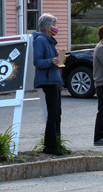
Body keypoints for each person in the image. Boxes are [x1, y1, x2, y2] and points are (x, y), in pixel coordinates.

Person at [33, 13, 66, 156]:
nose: (56, 28)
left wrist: (60, 59)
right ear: (48, 27)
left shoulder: (49, 40)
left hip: (54, 79)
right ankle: (50, 146)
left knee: (57, 113)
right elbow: (37, 61)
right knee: (53, 113)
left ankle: (56, 143)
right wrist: (51, 61)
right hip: (48, 80)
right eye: (55, 24)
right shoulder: (40, 40)